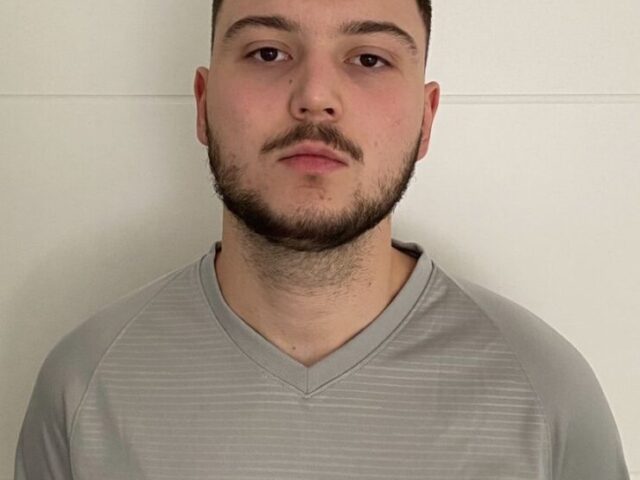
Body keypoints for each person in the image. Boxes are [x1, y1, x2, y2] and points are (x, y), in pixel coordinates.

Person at [15, 0, 630, 479]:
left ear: (426, 119)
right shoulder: (84, 385)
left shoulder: (546, 396)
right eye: (267, 52)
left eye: (368, 59)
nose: (314, 97)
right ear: (202, 104)